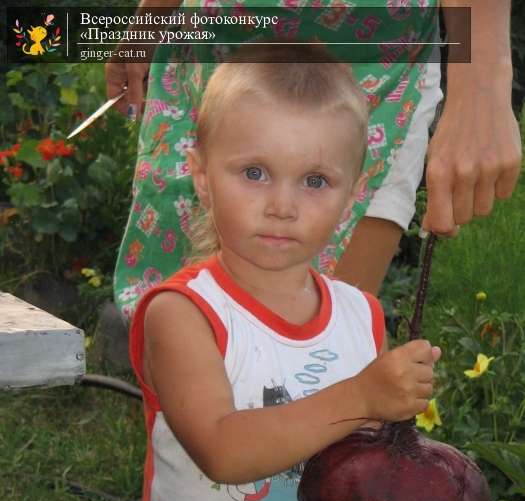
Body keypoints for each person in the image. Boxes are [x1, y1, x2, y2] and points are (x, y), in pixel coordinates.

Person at [114, 44, 441, 501]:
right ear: (201, 175)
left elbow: (381, 475)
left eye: (314, 180)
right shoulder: (182, 313)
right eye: (254, 172)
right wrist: (358, 396)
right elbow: (224, 450)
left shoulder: (361, 318)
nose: (283, 205)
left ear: (352, 192)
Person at [106, 1, 521, 318]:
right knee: (190, 323)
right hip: (218, 50)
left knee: (320, 338)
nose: (282, 207)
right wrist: (152, 15)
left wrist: (481, 79)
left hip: (374, 66)